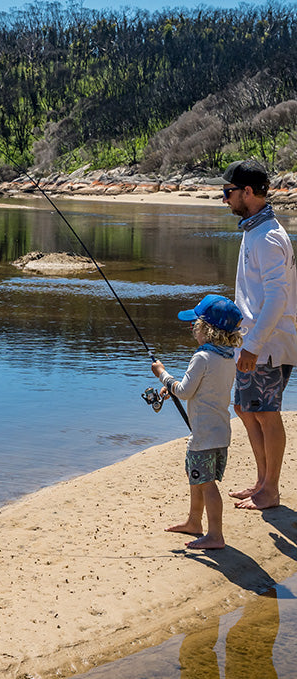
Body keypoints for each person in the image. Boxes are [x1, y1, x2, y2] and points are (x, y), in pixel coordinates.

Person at [220, 159, 297, 510]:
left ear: (247, 192)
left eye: (228, 191)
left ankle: (271, 490)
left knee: (266, 412)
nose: (225, 199)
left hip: (266, 344)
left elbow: (278, 298)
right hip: (253, 342)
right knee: (244, 407)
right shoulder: (256, 229)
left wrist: (252, 346)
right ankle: (262, 482)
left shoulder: (267, 237)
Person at [151, 294, 243, 549]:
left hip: (202, 435)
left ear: (207, 329)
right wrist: (175, 387)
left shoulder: (202, 357)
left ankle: (215, 535)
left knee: (206, 483)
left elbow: (184, 391)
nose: (193, 328)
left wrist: (163, 376)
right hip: (220, 432)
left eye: (196, 323)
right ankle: (194, 522)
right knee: (199, 479)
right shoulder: (227, 357)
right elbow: (203, 389)